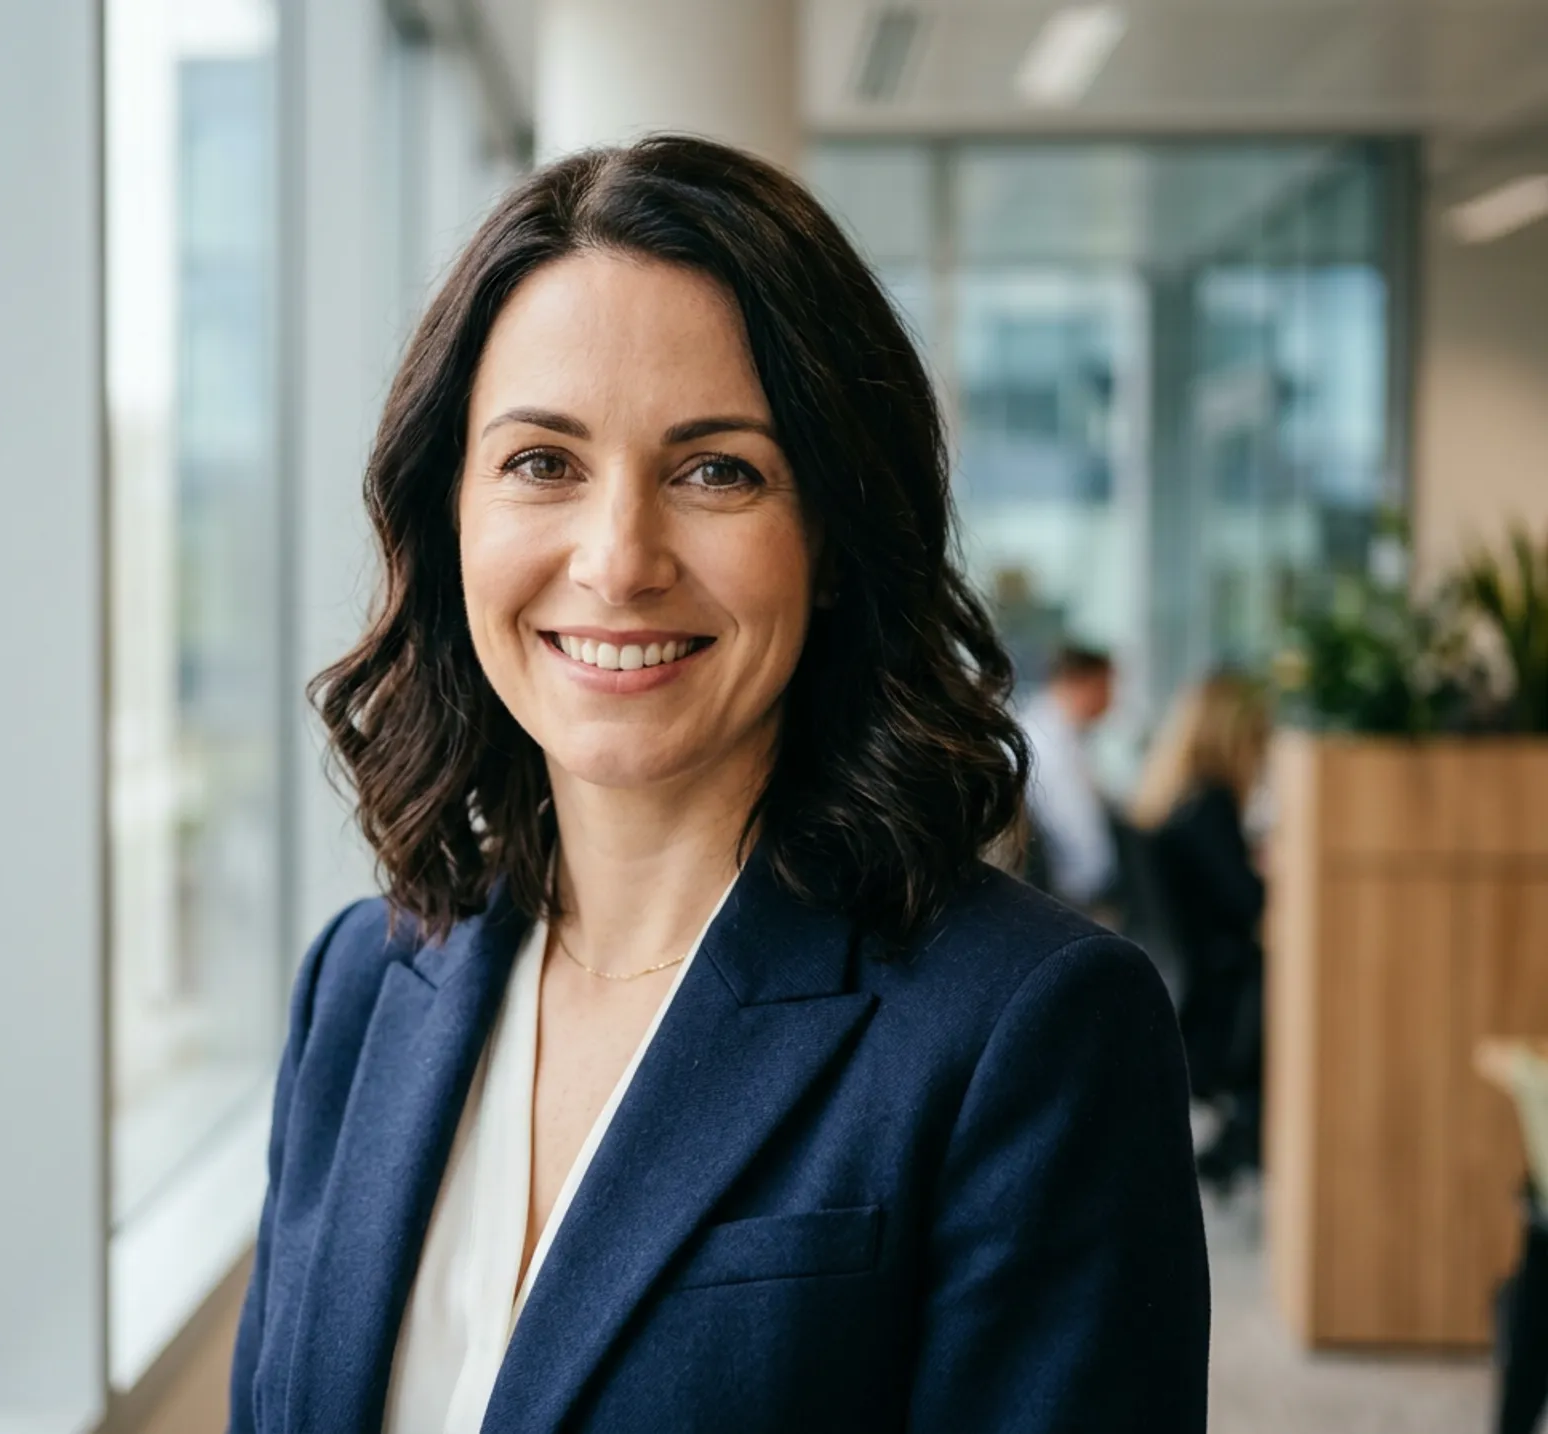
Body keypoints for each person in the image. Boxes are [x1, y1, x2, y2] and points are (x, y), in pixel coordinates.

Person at [228, 136, 1207, 1434]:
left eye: (716, 470)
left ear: (836, 535)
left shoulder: (1029, 1032)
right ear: (446, 511)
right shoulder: (361, 984)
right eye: (543, 461)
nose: (619, 557)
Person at [1133, 670, 1271, 1189]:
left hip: (1196, 999)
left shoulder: (1176, 802)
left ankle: (1239, 1145)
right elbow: (1251, 904)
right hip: (1223, 1009)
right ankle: (1242, 1144)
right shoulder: (1211, 807)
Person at [1017, 645, 1120, 909]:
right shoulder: (1049, 746)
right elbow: (1089, 856)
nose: (1112, 700)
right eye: (1106, 687)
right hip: (1070, 900)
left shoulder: (1060, 737)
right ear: (1078, 683)